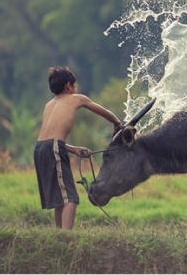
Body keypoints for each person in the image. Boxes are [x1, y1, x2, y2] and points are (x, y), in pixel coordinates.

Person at [34, 66, 123, 229]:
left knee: (60, 199)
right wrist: (118, 124)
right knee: (71, 199)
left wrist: (73, 149)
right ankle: (66, 238)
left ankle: (59, 236)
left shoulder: (49, 105)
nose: (76, 88)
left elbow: (49, 138)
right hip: (53, 148)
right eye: (75, 85)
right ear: (68, 86)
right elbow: (104, 112)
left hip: (40, 149)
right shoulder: (76, 98)